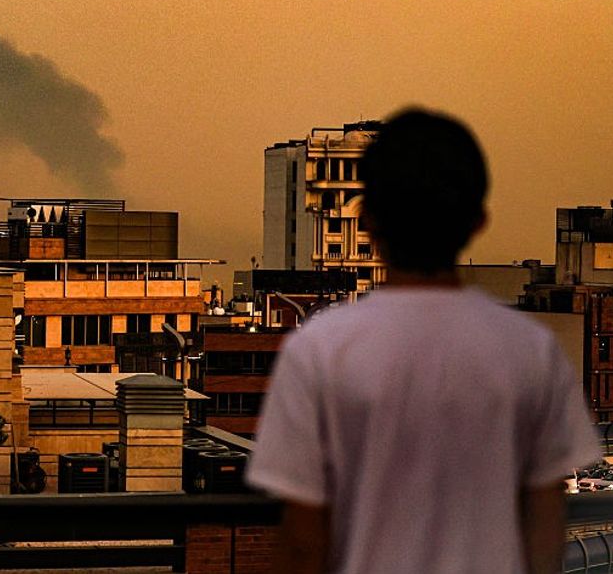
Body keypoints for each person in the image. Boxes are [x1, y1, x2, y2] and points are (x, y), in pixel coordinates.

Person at [246, 107, 599, 574]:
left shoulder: (319, 349)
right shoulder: (531, 351)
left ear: (367, 219)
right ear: (478, 220)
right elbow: (545, 526)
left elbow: (302, 541)